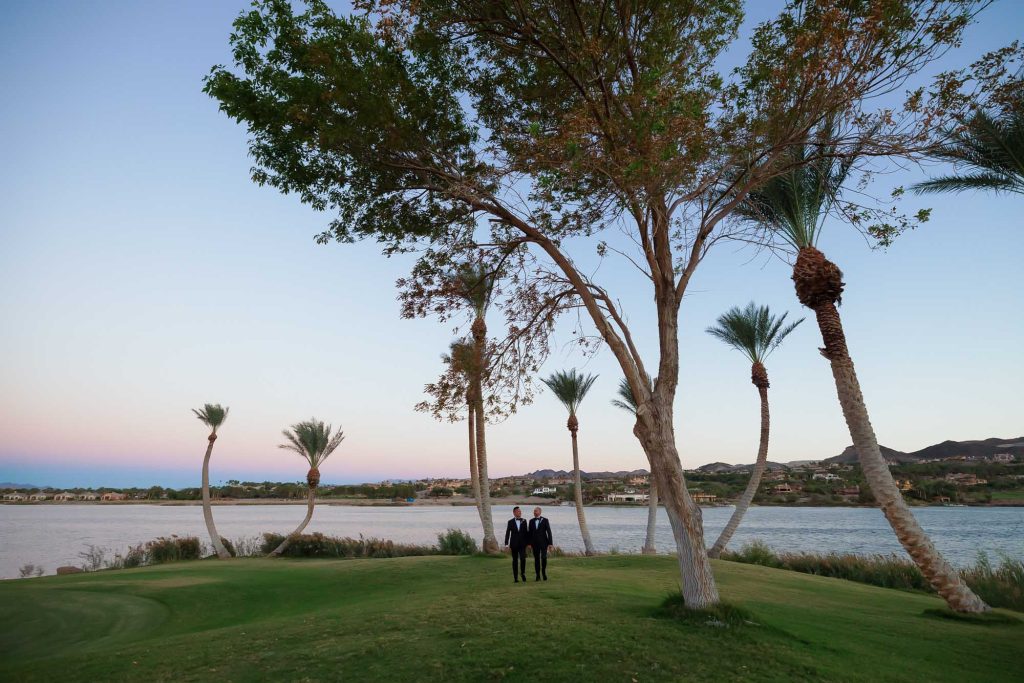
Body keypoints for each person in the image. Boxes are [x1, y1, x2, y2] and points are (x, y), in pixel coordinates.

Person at [503, 506, 530, 583]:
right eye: (518, 511)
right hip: (514, 544)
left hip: (522, 544)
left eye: (520, 511)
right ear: (514, 513)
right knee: (515, 561)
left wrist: (528, 543)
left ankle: (523, 573)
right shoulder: (510, 522)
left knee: (523, 559)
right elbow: (507, 533)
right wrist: (506, 545)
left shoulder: (524, 521)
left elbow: (526, 533)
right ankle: (515, 577)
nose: (520, 512)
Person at [528, 506, 553, 581]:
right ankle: (538, 575)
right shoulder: (531, 521)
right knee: (536, 559)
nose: (534, 512)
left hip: (544, 543)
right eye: (534, 511)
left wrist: (550, 543)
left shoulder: (545, 520)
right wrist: (529, 543)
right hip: (534, 543)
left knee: (544, 558)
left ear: (540, 512)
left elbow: (549, 532)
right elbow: (529, 533)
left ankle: (543, 572)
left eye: (536, 511)